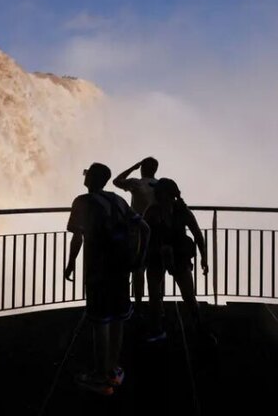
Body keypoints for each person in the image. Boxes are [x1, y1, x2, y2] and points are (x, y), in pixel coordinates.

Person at [65, 163, 150, 395]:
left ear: (91, 178)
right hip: (121, 269)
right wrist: (139, 259)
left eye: (87, 173)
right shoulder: (118, 200)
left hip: (97, 271)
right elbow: (144, 227)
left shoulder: (82, 202)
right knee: (118, 318)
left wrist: (71, 262)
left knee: (100, 320)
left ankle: (100, 377)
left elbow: (77, 238)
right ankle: (113, 369)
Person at [142, 178, 211, 342]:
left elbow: (143, 235)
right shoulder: (172, 211)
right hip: (163, 255)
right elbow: (198, 236)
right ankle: (197, 328)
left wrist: (204, 258)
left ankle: (161, 328)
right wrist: (203, 258)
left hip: (169, 255)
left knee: (177, 294)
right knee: (175, 294)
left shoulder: (157, 211)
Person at [113, 157, 159, 312]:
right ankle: (156, 304)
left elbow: (117, 181)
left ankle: (138, 304)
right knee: (155, 269)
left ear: (142, 168)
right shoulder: (159, 185)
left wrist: (132, 167)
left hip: (137, 230)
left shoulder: (136, 183)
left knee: (138, 268)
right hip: (157, 231)